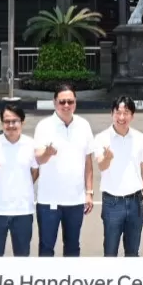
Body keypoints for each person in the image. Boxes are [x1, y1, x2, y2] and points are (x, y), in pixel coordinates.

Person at [33, 84, 95, 257]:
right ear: (55, 103)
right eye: (62, 102)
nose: (66, 105)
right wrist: (47, 153)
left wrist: (89, 192)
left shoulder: (84, 125)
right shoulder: (44, 126)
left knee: (73, 247)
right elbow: (38, 158)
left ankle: (69, 281)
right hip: (48, 201)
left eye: (70, 101)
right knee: (46, 248)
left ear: (75, 102)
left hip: (75, 200)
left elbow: (88, 162)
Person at [92, 96, 143, 256]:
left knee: (133, 252)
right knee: (110, 252)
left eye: (126, 113)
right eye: (118, 112)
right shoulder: (102, 138)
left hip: (135, 203)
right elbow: (101, 165)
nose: (121, 117)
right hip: (112, 203)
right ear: (112, 113)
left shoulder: (139, 138)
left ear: (132, 115)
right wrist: (108, 158)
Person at [0, 101, 39, 257]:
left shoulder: (31, 144)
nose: (11, 125)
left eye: (15, 121)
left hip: (23, 212)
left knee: (22, 256)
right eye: (7, 121)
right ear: (2, 123)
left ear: (22, 122)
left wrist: (22, 185)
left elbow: (34, 172)